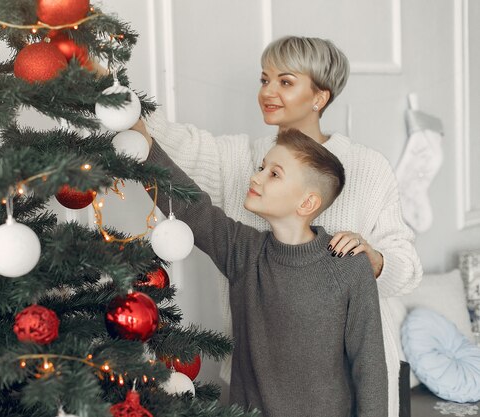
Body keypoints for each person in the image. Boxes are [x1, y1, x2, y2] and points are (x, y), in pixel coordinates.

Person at [133, 36, 422, 416]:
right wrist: (116, 102)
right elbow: (185, 189)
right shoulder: (244, 222)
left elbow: (401, 282)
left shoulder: (367, 170)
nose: (268, 91)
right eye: (264, 79)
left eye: (285, 81)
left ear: (320, 96)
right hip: (257, 392)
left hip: (351, 390)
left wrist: (373, 260)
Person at [144, 128, 388, 416]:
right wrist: (141, 143)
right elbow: (191, 208)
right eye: (261, 167)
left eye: (274, 173)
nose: (256, 177)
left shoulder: (349, 265)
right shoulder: (244, 251)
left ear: (307, 202)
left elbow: (369, 367)